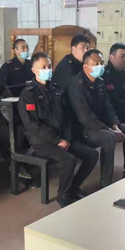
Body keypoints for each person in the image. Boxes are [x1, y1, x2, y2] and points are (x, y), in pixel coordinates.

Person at [18, 52, 98, 207]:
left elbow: (66, 117)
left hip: (62, 138)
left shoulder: (55, 90)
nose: (48, 70)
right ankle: (63, 195)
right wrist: (57, 140)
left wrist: (66, 137)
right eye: (43, 67)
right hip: (42, 142)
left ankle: (73, 188)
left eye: (49, 66)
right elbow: (32, 125)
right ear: (34, 70)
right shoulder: (28, 94)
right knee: (69, 160)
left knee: (92, 155)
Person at [66, 50, 125, 187]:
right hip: (82, 129)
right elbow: (85, 117)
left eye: (101, 63)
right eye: (96, 63)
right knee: (109, 137)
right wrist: (110, 131)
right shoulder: (77, 85)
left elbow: (108, 107)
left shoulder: (100, 82)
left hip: (100, 124)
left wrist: (115, 126)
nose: (100, 66)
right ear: (86, 67)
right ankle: (106, 183)